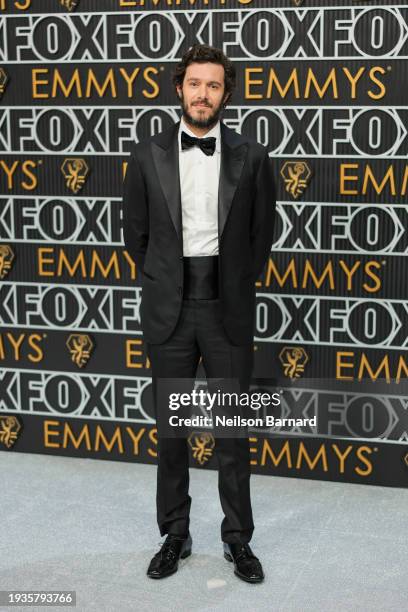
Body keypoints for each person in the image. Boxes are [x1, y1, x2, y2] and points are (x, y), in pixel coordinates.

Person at [122, 43, 276, 583]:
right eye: (194, 83)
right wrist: (172, 283)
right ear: (179, 88)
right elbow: (136, 237)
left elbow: (261, 237)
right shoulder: (146, 155)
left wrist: (230, 284)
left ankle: (238, 540)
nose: (203, 94)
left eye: (214, 85)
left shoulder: (252, 157)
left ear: (226, 94)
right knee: (172, 432)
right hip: (169, 312)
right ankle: (174, 535)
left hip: (227, 309)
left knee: (233, 435)